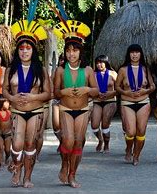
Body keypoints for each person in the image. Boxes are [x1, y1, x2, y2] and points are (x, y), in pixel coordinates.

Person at [2, 3, 50, 187]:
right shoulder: (11, 69)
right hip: (17, 111)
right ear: (18, 50)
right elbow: (4, 90)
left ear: (33, 50)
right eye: (21, 49)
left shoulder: (41, 69)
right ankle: (16, 165)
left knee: (30, 145)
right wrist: (12, 98)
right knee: (17, 145)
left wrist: (34, 97)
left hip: (36, 111)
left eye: (28, 49)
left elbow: (48, 93)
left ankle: (27, 177)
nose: (24, 51)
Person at [53, 19, 98, 188]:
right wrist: (63, 92)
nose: (71, 54)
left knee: (78, 142)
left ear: (80, 52)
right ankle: (65, 164)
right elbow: (54, 92)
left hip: (83, 109)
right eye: (68, 50)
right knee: (68, 141)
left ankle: (72, 174)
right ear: (64, 52)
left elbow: (96, 91)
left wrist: (86, 89)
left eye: (75, 50)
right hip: (65, 108)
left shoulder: (87, 70)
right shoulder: (59, 70)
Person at [115, 44, 155, 166]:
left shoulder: (145, 68)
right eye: (132, 52)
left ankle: (136, 155)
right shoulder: (123, 70)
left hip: (143, 102)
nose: (134, 55)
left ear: (141, 54)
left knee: (141, 131)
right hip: (127, 102)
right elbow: (117, 87)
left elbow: (152, 86)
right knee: (131, 132)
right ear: (128, 54)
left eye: (137, 52)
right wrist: (125, 92)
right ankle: (128, 148)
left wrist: (145, 91)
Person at [91, 55, 117, 153]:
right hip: (97, 101)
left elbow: (120, 88)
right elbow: (88, 88)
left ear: (106, 63)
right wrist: (96, 94)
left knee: (105, 124)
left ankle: (106, 144)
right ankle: (100, 140)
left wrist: (111, 93)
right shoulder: (92, 74)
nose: (99, 65)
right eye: (97, 63)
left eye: (101, 62)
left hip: (110, 101)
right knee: (94, 125)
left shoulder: (113, 73)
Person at [52, 54, 65, 152]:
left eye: (64, 60)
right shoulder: (55, 71)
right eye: (61, 59)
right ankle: (62, 141)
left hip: (67, 101)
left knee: (66, 125)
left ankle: (65, 143)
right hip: (56, 100)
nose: (62, 61)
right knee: (56, 125)